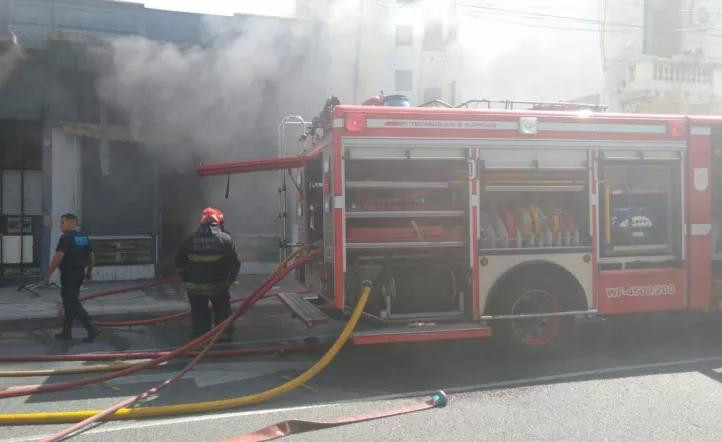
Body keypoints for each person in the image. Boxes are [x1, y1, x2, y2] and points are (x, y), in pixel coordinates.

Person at [175, 207, 240, 342]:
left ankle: (201, 337)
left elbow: (178, 263)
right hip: (219, 286)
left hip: (195, 287)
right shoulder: (227, 240)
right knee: (222, 309)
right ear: (220, 223)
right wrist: (231, 279)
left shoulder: (189, 240)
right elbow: (235, 263)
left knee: (199, 311)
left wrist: (184, 278)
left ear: (201, 223)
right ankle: (224, 335)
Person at [44, 213, 99, 343]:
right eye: (60, 222)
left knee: (72, 303)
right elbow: (91, 256)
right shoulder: (83, 237)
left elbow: (58, 257)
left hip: (68, 275)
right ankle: (66, 333)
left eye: (63, 222)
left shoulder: (66, 238)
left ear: (72, 223)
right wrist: (89, 271)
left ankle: (91, 328)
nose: (60, 224)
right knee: (69, 303)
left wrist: (47, 275)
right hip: (79, 273)